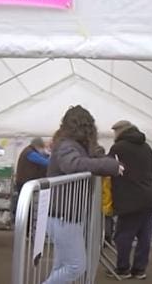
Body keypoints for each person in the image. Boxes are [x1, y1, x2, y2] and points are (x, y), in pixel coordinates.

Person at [44, 106, 123, 284]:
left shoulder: (71, 144)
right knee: (76, 266)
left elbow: (90, 157)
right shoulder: (67, 146)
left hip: (64, 214)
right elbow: (72, 164)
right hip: (65, 215)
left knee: (62, 265)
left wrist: (102, 157)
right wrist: (109, 166)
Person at [108, 120, 152, 280]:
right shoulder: (145, 146)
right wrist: (144, 179)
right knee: (144, 236)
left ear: (120, 131)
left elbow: (107, 166)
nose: (114, 135)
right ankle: (139, 270)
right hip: (149, 197)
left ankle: (123, 268)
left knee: (123, 235)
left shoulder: (118, 148)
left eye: (115, 131)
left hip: (129, 198)